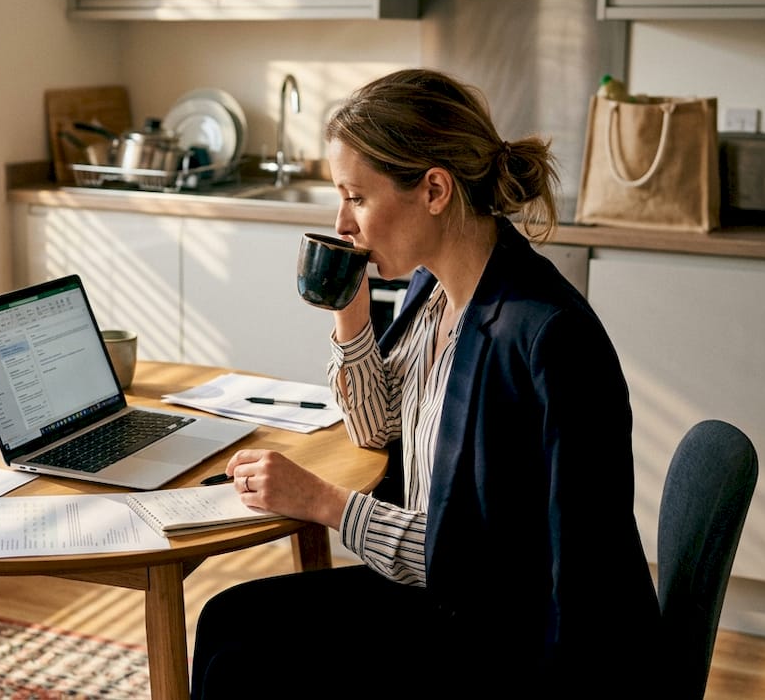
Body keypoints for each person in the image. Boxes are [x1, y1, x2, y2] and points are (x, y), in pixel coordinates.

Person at [189, 68, 662, 699]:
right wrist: (349, 309)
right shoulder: (434, 290)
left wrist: (324, 502)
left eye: (356, 198)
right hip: (442, 593)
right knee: (227, 619)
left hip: (509, 641)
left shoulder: (542, 338)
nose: (343, 225)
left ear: (434, 189)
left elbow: (493, 571)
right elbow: (380, 426)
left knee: (245, 667)